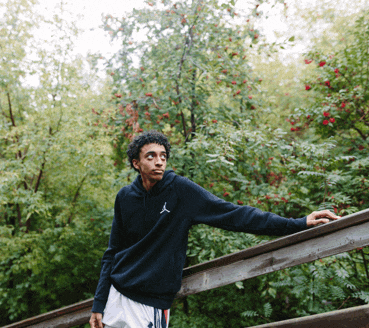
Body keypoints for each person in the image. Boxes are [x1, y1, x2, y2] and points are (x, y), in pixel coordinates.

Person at [89, 130, 339, 328]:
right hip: (116, 296)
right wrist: (98, 304)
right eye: (151, 156)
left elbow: (234, 214)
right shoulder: (124, 197)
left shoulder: (181, 191)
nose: (159, 162)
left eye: (163, 156)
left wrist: (297, 223)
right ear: (136, 163)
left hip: (149, 303)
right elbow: (112, 252)